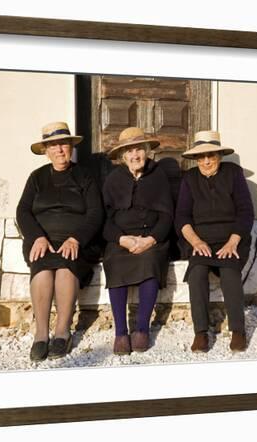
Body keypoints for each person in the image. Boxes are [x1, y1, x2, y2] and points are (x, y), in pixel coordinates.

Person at [16, 122, 103, 361]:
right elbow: (23, 211)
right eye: (53, 145)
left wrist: (76, 238)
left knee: (66, 267)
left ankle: (63, 332)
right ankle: (41, 334)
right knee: (43, 270)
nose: (59, 150)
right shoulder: (37, 177)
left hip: (78, 242)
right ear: (46, 150)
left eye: (63, 144)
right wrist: (37, 237)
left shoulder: (85, 176)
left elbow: (96, 213)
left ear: (71, 146)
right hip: (42, 241)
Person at [174, 130, 254, 353]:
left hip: (232, 238)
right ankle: (201, 332)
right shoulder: (189, 179)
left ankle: (238, 329)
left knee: (229, 272)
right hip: (202, 241)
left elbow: (246, 212)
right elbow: (181, 216)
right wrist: (196, 242)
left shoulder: (233, 173)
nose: (207, 161)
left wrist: (233, 242)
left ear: (219, 156)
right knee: (197, 272)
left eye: (211, 155)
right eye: (202, 156)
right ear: (196, 158)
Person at [102, 127, 174, 355]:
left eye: (139, 150)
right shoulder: (114, 179)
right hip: (122, 239)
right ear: (123, 156)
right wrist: (122, 239)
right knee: (113, 260)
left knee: (150, 261)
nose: (135, 155)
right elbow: (105, 218)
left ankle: (142, 329)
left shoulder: (158, 175)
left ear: (146, 151)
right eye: (130, 151)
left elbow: (167, 215)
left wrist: (151, 240)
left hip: (152, 237)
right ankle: (121, 332)